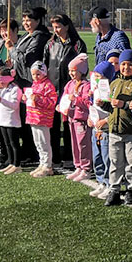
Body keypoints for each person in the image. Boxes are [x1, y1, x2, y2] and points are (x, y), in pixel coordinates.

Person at [97, 50, 132, 207]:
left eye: (130, 65)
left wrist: (124, 104)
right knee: (115, 161)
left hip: (131, 130)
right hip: (114, 130)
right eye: (123, 64)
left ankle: (131, 189)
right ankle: (115, 189)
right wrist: (103, 103)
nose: (126, 67)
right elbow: (111, 108)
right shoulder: (114, 83)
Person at [7, 7, 51, 164]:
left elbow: (28, 58)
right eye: (24, 20)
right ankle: (27, 150)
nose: (25, 23)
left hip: (31, 82)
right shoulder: (27, 36)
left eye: (29, 20)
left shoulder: (39, 37)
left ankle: (32, 152)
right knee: (24, 118)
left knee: (32, 118)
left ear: (37, 21)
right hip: (21, 81)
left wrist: (12, 49)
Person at [44, 14, 88, 169]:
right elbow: (45, 66)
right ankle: (55, 158)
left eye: (58, 26)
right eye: (54, 27)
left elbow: (83, 67)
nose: (56, 30)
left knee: (69, 125)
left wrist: (77, 87)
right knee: (53, 126)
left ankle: (70, 158)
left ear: (67, 26)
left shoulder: (77, 44)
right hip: (53, 91)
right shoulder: (50, 44)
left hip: (69, 92)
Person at [61, 54, 94, 183]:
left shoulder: (86, 85)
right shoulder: (70, 84)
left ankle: (86, 168)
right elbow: (64, 97)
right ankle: (78, 165)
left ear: (81, 71)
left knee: (83, 144)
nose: (71, 73)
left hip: (81, 120)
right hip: (71, 118)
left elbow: (87, 102)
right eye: (70, 71)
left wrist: (76, 99)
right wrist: (62, 106)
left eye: (74, 71)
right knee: (74, 143)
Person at [88, 61, 117, 199]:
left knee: (107, 158)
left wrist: (104, 121)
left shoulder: (111, 90)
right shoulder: (95, 89)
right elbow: (92, 106)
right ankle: (101, 181)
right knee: (97, 157)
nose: (97, 78)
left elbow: (114, 112)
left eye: (101, 76)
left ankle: (109, 183)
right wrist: (90, 118)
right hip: (95, 129)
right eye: (96, 75)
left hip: (106, 129)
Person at [24, 61, 58, 178]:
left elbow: (52, 102)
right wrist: (25, 99)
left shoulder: (48, 85)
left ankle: (48, 166)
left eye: (38, 74)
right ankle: (42, 163)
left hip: (43, 119)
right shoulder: (34, 85)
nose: (35, 77)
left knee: (44, 143)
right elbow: (31, 101)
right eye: (33, 74)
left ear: (44, 73)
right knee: (38, 143)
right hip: (33, 117)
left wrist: (38, 99)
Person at [0, 67, 23, 174]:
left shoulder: (15, 89)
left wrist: (2, 100)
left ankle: (17, 164)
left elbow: (14, 105)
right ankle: (11, 162)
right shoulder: (2, 89)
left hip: (12, 121)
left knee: (14, 143)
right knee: (7, 143)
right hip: (2, 120)